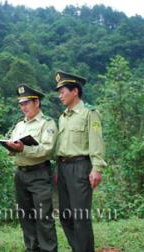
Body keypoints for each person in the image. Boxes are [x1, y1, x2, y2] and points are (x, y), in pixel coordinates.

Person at [55, 70, 106, 252]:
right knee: (65, 215)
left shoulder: (89, 113)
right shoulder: (63, 117)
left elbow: (96, 141)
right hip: (63, 168)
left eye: (62, 91)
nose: (60, 96)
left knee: (80, 216)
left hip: (81, 167)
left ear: (75, 91)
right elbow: (61, 146)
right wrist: (57, 170)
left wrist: (97, 168)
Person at [6, 84, 58, 252]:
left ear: (37, 102)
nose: (23, 107)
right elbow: (15, 147)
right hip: (20, 174)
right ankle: (32, 248)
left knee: (43, 216)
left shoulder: (47, 124)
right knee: (25, 216)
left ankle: (48, 249)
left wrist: (23, 148)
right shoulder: (20, 125)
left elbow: (47, 150)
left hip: (39, 173)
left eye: (26, 103)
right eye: (21, 104)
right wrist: (11, 147)